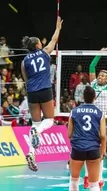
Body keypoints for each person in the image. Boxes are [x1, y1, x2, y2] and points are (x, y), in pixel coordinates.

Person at [21, 16, 63, 171]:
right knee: (50, 121)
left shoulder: (24, 60)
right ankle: (37, 132)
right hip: (45, 89)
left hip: (32, 92)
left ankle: (31, 153)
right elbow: (54, 40)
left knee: (35, 123)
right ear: (38, 44)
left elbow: (26, 79)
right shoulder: (45, 53)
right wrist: (58, 28)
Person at [82, 45, 107, 189]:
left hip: (100, 120)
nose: (100, 76)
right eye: (99, 75)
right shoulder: (93, 83)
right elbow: (92, 65)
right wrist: (99, 53)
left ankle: (100, 178)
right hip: (88, 118)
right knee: (87, 149)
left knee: (99, 150)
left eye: (104, 76)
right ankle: (86, 177)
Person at [68, 86, 106, 191]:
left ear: (83, 97)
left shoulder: (74, 112)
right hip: (93, 149)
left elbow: (69, 134)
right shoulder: (99, 113)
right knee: (94, 184)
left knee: (74, 181)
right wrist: (102, 152)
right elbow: (103, 135)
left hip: (78, 149)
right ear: (95, 97)